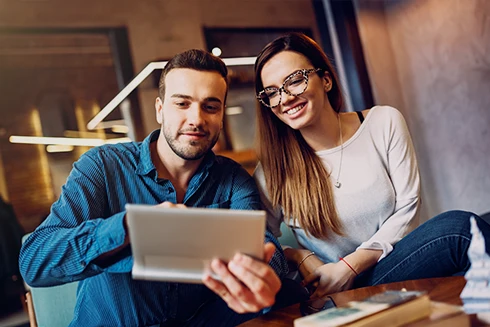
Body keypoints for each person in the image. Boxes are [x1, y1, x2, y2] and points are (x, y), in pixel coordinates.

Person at [19, 49, 289, 327]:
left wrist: (259, 275)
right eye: (182, 104)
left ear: (221, 114)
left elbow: (266, 253)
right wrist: (129, 227)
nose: (196, 119)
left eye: (210, 106)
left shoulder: (233, 180)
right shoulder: (102, 166)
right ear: (160, 110)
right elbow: (34, 262)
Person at [253, 32, 490, 299]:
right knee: (461, 229)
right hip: (338, 290)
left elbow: (409, 209)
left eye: (295, 80)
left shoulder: (383, 122)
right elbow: (261, 245)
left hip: (393, 263)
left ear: (326, 80)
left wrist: (350, 266)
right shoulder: (273, 170)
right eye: (272, 92)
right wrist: (298, 256)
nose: (285, 98)